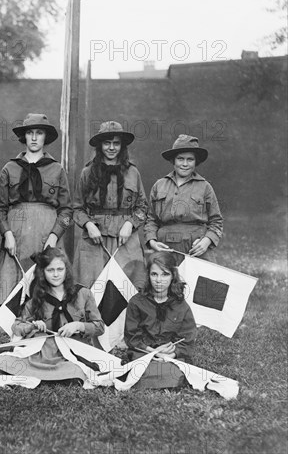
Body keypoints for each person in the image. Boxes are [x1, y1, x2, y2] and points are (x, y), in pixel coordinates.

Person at [0, 247, 104, 383]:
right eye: (50, 270)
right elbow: (17, 326)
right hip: (45, 354)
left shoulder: (83, 293)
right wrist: (32, 326)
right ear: (42, 272)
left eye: (60, 269)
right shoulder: (38, 297)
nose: (56, 275)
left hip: (74, 351)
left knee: (77, 371)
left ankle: (59, 375)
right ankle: (52, 375)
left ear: (67, 270)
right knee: (0, 362)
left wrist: (78, 325)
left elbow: (99, 327)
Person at [0, 114, 73, 305]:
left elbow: (67, 210)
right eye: (30, 133)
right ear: (24, 137)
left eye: (39, 133)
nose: (35, 137)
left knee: (48, 284)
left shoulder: (57, 169)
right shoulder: (10, 168)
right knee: (12, 289)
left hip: (47, 235)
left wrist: (54, 235)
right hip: (17, 236)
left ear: (45, 137)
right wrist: (7, 234)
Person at [73, 121, 148, 289]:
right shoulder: (88, 172)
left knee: (127, 288)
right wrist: (88, 225)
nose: (112, 148)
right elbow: (77, 208)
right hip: (94, 240)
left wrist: (130, 224)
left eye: (116, 143)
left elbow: (142, 206)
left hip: (125, 240)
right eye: (107, 143)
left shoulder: (133, 172)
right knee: (90, 289)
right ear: (100, 146)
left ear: (122, 146)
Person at [144, 135, 223, 262]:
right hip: (165, 248)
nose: (185, 164)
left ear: (195, 162)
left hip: (195, 248)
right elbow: (151, 220)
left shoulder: (205, 187)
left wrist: (206, 242)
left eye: (190, 159)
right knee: (165, 280)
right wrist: (153, 242)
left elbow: (216, 222)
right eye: (180, 159)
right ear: (173, 161)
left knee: (197, 281)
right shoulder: (159, 185)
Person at [124, 251, 197, 389]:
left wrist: (173, 352)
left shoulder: (181, 305)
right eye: (154, 274)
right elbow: (132, 338)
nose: (159, 280)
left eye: (165, 274)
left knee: (176, 373)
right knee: (138, 371)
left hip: (170, 355)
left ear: (172, 276)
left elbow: (187, 339)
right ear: (148, 276)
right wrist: (153, 352)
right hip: (144, 353)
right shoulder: (136, 302)